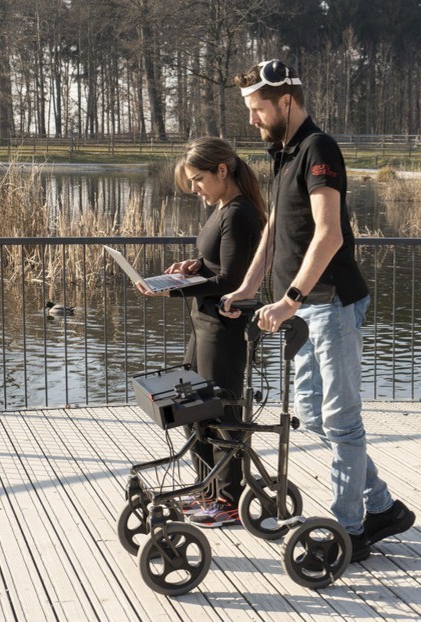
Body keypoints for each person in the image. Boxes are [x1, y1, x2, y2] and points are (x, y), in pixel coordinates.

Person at [219, 59, 414, 562]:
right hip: (302, 308)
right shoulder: (284, 153)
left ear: (286, 101)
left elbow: (329, 234)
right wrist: (249, 287)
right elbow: (275, 232)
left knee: (342, 421)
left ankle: (348, 532)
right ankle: (382, 507)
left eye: (257, 109)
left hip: (328, 302)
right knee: (313, 414)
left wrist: (290, 300)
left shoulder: (319, 149)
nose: (252, 119)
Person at [138, 136, 265, 528]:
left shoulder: (240, 213)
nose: (194, 189)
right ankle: (207, 489)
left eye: (197, 180)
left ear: (221, 171)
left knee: (222, 412)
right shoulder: (224, 208)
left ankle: (228, 500)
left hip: (224, 331)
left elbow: (232, 279)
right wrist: (193, 266)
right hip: (204, 325)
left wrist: (173, 286)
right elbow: (217, 265)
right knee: (196, 410)